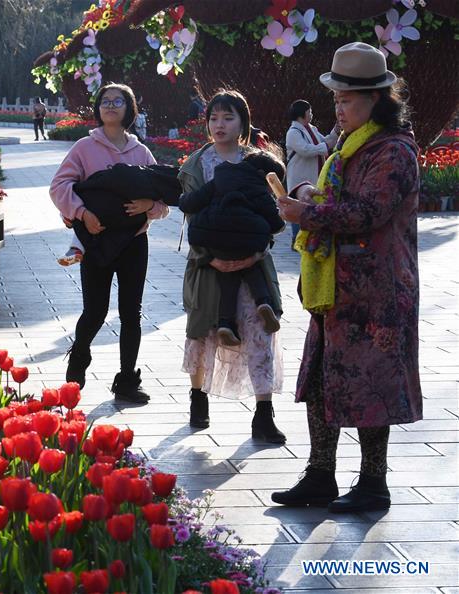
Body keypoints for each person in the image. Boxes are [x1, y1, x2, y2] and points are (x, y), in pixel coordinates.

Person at [272, 42, 422, 512]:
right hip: (336, 286)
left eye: (347, 99)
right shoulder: (347, 144)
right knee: (323, 379)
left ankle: (374, 484)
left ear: (376, 99)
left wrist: (306, 214)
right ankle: (320, 474)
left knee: (370, 384)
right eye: (335, 99)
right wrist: (306, 197)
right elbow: (339, 200)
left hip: (377, 291)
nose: (338, 108)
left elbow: (368, 212)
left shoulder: (393, 150)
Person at [177, 89, 287, 444]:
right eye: (214, 118)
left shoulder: (259, 162)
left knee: (260, 333)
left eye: (228, 117)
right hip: (209, 265)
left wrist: (256, 252)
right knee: (204, 334)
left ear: (243, 122)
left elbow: (273, 213)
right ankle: (198, 400)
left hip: (253, 263)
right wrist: (213, 258)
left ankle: (264, 414)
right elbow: (192, 216)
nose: (219, 125)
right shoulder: (196, 165)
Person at [50, 82, 170, 403]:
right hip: (97, 242)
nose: (111, 105)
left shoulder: (140, 151)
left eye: (118, 101)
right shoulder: (83, 148)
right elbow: (60, 186)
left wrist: (149, 208)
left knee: (131, 313)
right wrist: (81, 213)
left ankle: (127, 381)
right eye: (105, 100)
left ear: (129, 109)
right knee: (95, 311)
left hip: (133, 243)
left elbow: (164, 198)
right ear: (98, 108)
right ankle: (79, 356)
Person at [179, 150, 286, 346]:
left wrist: (182, 199)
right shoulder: (258, 187)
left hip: (215, 239)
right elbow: (275, 222)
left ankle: (225, 324)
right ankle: (264, 302)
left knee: (227, 278)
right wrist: (281, 221)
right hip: (246, 241)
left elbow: (193, 201)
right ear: (265, 176)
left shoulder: (221, 176)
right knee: (253, 267)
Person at [285, 99, 339, 246]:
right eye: (309, 111)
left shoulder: (311, 129)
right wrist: (325, 146)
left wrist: (336, 131)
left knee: (310, 203)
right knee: (299, 203)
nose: (311, 114)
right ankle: (296, 239)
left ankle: (309, 239)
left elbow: (327, 141)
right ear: (302, 114)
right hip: (299, 175)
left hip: (313, 174)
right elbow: (306, 150)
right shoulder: (293, 132)